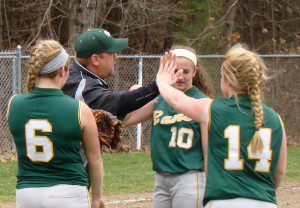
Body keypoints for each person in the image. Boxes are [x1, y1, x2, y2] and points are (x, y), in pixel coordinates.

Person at [156, 44, 287, 208]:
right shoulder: (276, 119)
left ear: (227, 80)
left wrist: (162, 81)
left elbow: (177, 100)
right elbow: (279, 172)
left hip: (223, 201)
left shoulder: (213, 109)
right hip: (265, 202)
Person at [6, 40, 104, 208]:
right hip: (68, 192)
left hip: (27, 193)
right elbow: (95, 160)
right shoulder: (79, 109)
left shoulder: (14, 104)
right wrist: (97, 198)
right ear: (62, 70)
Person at [124, 45, 213, 208]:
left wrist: (211, 185)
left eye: (185, 71)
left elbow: (208, 150)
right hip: (161, 178)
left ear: (194, 72)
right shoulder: (160, 99)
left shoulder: (201, 102)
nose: (180, 76)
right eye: (175, 70)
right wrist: (136, 95)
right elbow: (128, 118)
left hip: (189, 178)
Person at [62, 28, 160, 120]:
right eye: (111, 53)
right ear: (96, 59)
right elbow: (118, 103)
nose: (116, 56)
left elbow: (123, 117)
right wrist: (159, 84)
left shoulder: (76, 76)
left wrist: (161, 95)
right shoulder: (82, 85)